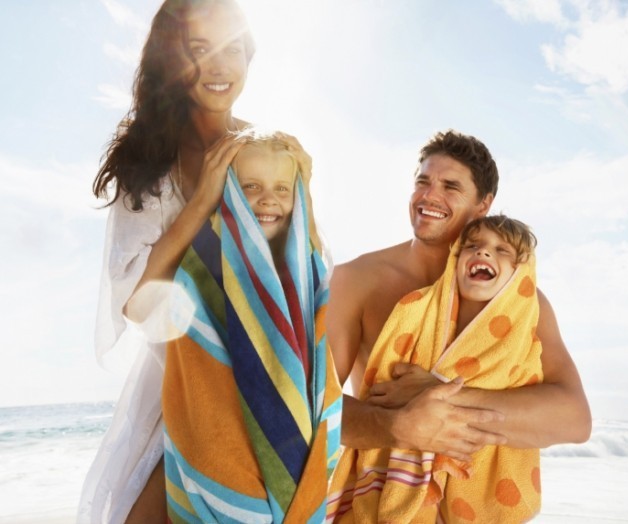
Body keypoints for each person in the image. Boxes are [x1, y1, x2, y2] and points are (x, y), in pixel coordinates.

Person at [78, 2, 314, 522]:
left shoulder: (265, 150)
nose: (218, 66)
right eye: (198, 50)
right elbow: (138, 303)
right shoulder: (146, 159)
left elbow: (300, 272)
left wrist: (303, 193)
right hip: (180, 380)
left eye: (232, 48)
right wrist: (206, 195)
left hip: (263, 369)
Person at [326, 130, 590, 473]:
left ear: (483, 204)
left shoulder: (519, 301)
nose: (429, 195)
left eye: (450, 187)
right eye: (423, 182)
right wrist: (396, 427)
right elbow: (309, 405)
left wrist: (438, 394)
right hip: (380, 498)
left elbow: (574, 419)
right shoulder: (355, 280)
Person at [161, 128, 341, 523]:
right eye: (251, 186)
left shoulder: (301, 270)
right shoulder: (206, 260)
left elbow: (312, 248)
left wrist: (305, 188)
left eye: (282, 188)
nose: (268, 199)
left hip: (295, 436)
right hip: (222, 436)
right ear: (228, 191)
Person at [328, 215, 544, 522]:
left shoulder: (520, 337)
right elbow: (381, 384)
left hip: (471, 484)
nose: (483, 253)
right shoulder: (414, 310)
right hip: (395, 461)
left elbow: (524, 391)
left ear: (520, 274)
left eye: (502, 250)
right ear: (455, 259)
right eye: (473, 245)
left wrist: (436, 389)